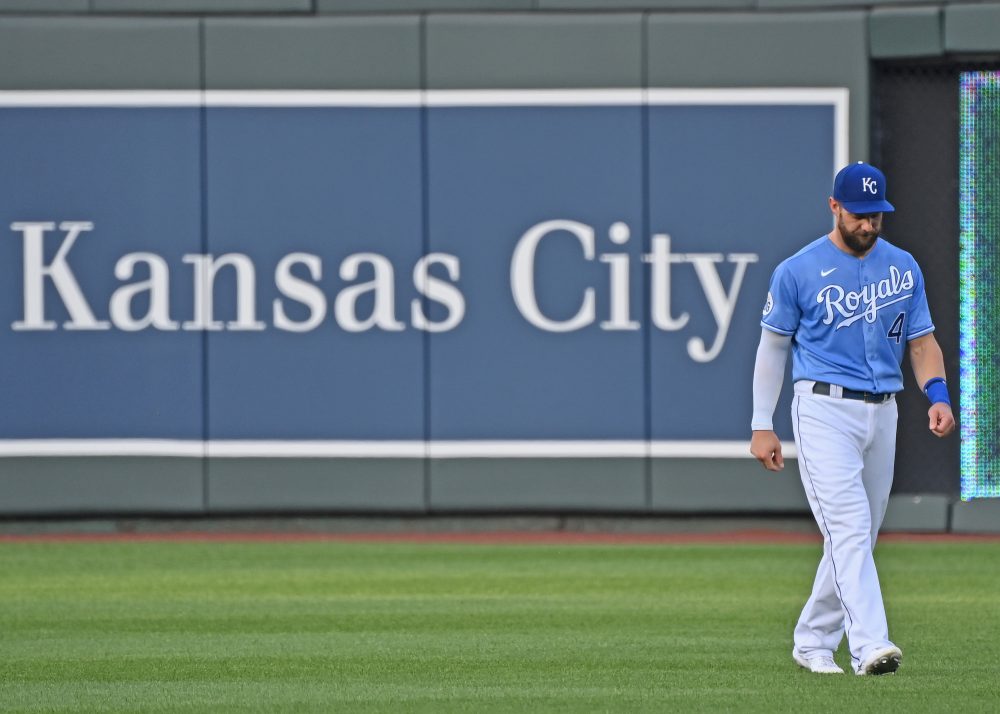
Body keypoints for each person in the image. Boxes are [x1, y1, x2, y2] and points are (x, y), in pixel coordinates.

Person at [749, 161, 955, 676]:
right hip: (822, 408)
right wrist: (761, 423)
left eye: (876, 216)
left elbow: (922, 340)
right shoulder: (797, 269)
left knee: (857, 535)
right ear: (834, 207)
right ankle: (870, 646)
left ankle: (813, 640)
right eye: (859, 214)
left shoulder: (903, 266)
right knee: (850, 527)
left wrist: (938, 394)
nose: (868, 225)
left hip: (883, 411)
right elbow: (772, 348)